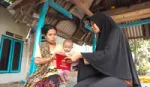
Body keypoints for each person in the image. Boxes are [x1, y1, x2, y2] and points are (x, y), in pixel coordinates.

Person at [65, 12, 141, 87]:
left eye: (93, 24)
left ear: (100, 21)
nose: (91, 26)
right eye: (91, 24)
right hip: (105, 74)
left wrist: (80, 55)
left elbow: (108, 55)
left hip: (120, 76)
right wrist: (77, 57)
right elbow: (98, 59)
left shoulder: (115, 31)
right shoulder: (102, 37)